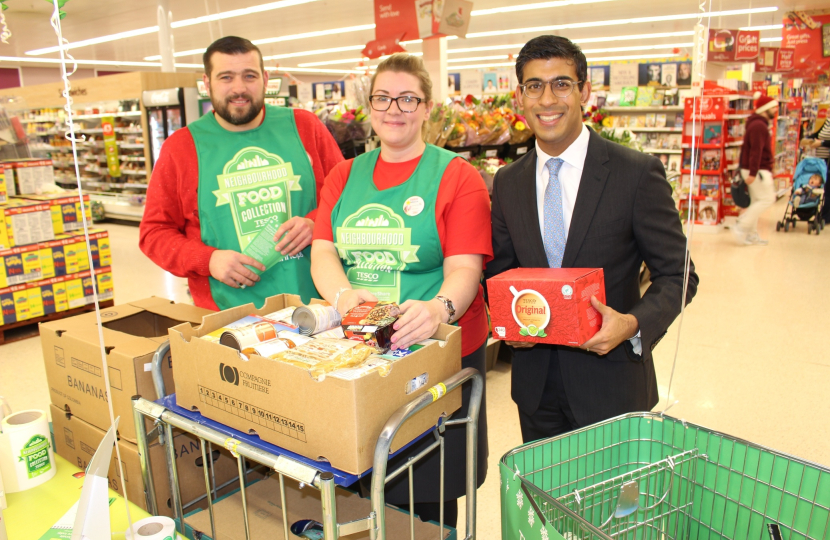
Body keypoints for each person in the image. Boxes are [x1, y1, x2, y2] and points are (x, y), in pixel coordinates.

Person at [485, 35, 698, 443]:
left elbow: (679, 274)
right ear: (520, 97)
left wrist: (633, 324)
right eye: (534, 86)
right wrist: (505, 323)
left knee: (616, 507)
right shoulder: (508, 182)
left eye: (562, 84)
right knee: (547, 502)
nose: (548, 99)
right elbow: (501, 270)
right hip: (535, 390)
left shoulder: (635, 174)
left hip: (612, 385)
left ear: (584, 91)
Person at [310, 53, 491, 526]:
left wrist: (438, 309)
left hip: (432, 358)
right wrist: (344, 297)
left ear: (428, 107)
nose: (395, 109)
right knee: (363, 489)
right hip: (362, 356)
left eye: (408, 98)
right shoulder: (343, 176)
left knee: (425, 502)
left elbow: (465, 269)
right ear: (370, 106)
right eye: (383, 98)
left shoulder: (457, 177)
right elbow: (323, 251)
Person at [139, 36, 343, 310]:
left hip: (318, 302)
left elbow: (346, 197)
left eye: (249, 76)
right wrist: (208, 259)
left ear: (265, 79)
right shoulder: (182, 147)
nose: (239, 88)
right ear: (207, 83)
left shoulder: (304, 126)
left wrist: (315, 224)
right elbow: (154, 233)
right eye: (226, 77)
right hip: (227, 314)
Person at [735, 94, 778, 246]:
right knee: (768, 199)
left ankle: (751, 234)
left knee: (756, 200)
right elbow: (756, 150)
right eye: (773, 107)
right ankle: (742, 225)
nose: (775, 110)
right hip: (758, 170)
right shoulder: (759, 126)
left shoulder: (758, 123)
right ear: (765, 109)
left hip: (755, 169)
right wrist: (753, 173)